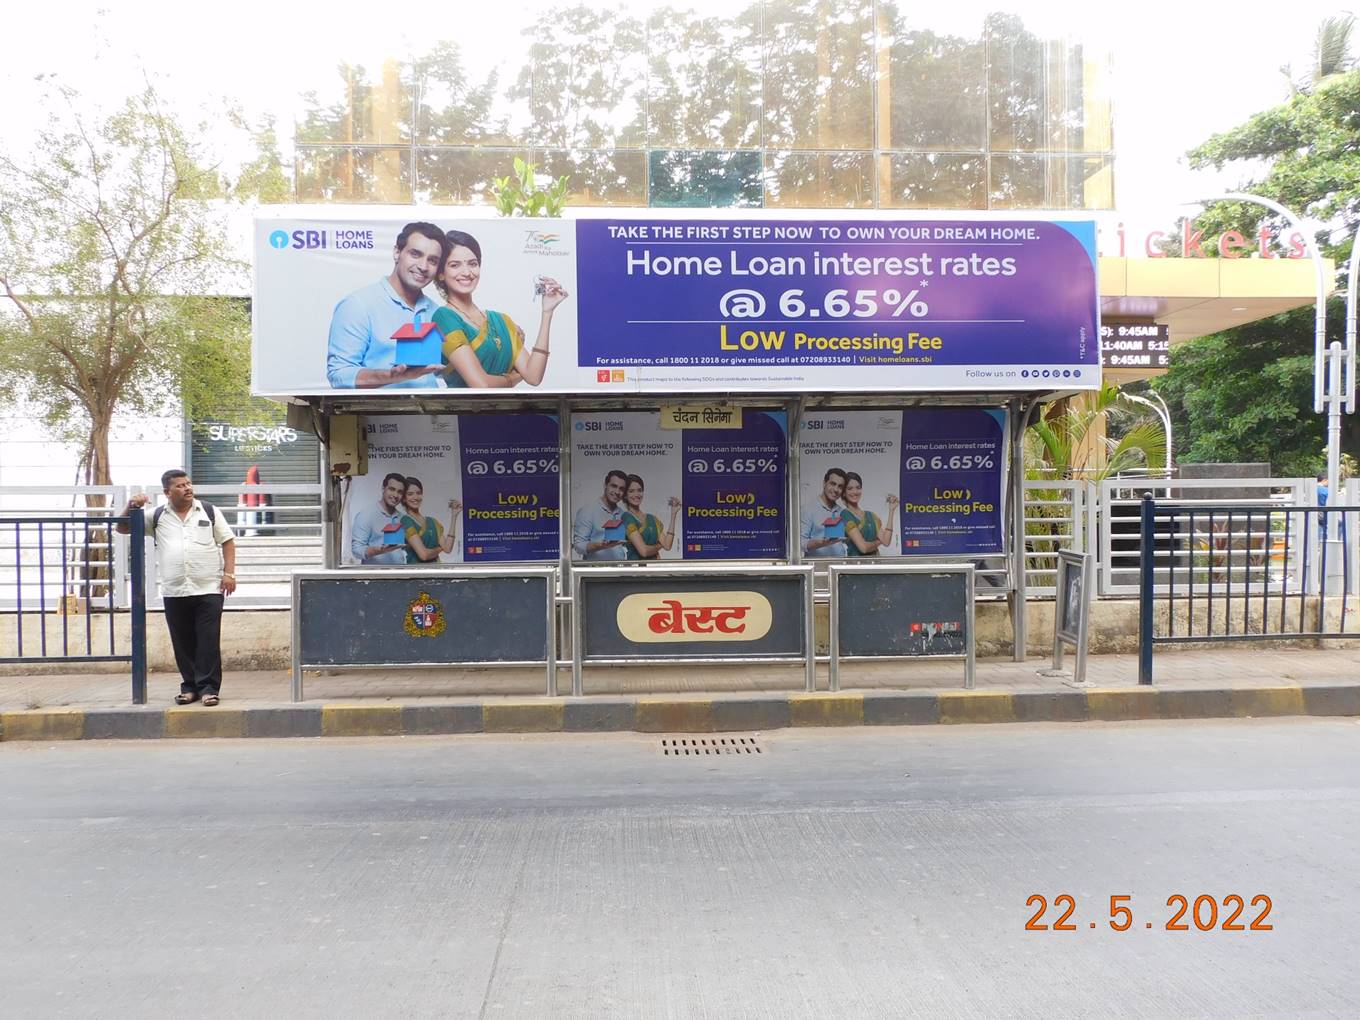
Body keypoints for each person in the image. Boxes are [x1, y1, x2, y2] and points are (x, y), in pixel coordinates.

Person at [117, 470, 236, 706]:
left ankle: (209, 689)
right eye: (181, 485)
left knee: (208, 641)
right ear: (167, 492)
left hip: (208, 588)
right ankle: (189, 687)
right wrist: (131, 505)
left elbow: (228, 541)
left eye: (189, 483)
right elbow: (122, 528)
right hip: (175, 590)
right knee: (182, 642)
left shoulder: (209, 511)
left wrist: (229, 574)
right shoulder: (158, 516)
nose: (188, 488)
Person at [431, 229, 570, 388]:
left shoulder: (501, 321)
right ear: (441, 273)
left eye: (473, 264)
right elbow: (481, 385)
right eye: (455, 265)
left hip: (511, 409)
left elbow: (533, 376)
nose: (467, 272)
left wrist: (547, 312)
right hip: (468, 411)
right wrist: (513, 378)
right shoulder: (443, 317)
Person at [326, 222, 449, 390]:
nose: (423, 266)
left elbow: (442, 371)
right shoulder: (358, 305)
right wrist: (392, 376)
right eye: (415, 254)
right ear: (397, 252)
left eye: (432, 261)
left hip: (434, 414)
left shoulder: (437, 312)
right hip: (376, 414)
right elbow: (339, 375)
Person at [350, 472, 409, 565]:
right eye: (392, 489)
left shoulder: (402, 518)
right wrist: (381, 550)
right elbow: (357, 550)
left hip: (400, 574)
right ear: (383, 488)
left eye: (400, 492)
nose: (395, 495)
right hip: (376, 576)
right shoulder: (366, 515)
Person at [400, 477, 462, 564]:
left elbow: (447, 548)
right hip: (417, 573)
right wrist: (440, 548)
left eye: (418, 493)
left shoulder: (432, 521)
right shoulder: (406, 521)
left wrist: (454, 516)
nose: (415, 497)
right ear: (404, 498)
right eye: (410, 494)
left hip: (437, 572)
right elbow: (424, 555)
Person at [572, 470, 630, 561]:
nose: (617, 492)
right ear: (605, 485)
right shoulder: (588, 511)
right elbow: (579, 546)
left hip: (619, 571)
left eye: (621, 489)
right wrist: (602, 545)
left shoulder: (622, 514)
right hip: (597, 573)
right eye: (614, 486)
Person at [620, 474, 680, 561]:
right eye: (631, 491)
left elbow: (667, 545)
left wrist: (673, 514)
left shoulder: (651, 518)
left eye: (639, 490)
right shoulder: (627, 517)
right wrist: (659, 545)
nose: (636, 494)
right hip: (636, 571)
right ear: (625, 495)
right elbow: (644, 551)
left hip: (655, 569)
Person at [840, 472, 899, 556]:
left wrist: (891, 511)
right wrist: (879, 541)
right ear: (844, 493)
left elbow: (886, 541)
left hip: (875, 564)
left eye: (858, 488)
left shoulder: (871, 515)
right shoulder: (845, 515)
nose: (855, 492)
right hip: (856, 566)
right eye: (850, 488)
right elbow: (863, 548)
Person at [801, 467, 848, 558]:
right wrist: (821, 543)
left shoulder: (842, 512)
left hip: (840, 567)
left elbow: (842, 542)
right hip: (816, 568)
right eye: (833, 484)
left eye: (840, 486)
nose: (836, 489)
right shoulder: (807, 510)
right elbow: (801, 543)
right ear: (824, 483)